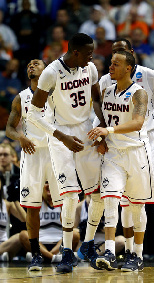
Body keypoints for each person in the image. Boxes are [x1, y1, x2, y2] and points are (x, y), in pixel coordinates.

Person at [91, 38, 154, 270]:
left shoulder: (148, 78)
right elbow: (98, 108)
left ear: (130, 58)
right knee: (117, 199)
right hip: (116, 145)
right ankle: (123, 252)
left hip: (147, 141)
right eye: (112, 55)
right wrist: (101, 137)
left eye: (119, 55)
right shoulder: (107, 82)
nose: (112, 61)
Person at [26, 33, 106, 273]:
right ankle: (67, 251)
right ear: (75, 53)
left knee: (100, 192)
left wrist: (102, 130)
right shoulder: (51, 72)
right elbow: (32, 114)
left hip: (85, 130)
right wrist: (61, 137)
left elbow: (97, 101)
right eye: (88, 52)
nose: (93, 56)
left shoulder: (90, 68)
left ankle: (89, 243)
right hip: (59, 135)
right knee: (70, 195)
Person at [88, 50, 154, 271]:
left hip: (136, 153)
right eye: (110, 63)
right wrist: (99, 136)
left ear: (129, 68)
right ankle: (109, 251)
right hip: (113, 154)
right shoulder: (107, 91)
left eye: (116, 64)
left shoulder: (139, 94)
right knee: (110, 199)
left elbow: (137, 123)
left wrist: (107, 130)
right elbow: (99, 118)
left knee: (136, 206)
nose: (110, 67)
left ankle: (137, 254)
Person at [6, 59, 63, 271]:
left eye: (36, 63)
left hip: (55, 150)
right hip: (32, 153)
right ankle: (36, 254)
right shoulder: (21, 97)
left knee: (64, 202)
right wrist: (20, 137)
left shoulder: (56, 92)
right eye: (28, 64)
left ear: (46, 69)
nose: (31, 66)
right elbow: (10, 127)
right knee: (32, 206)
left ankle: (66, 251)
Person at [19, 181, 80, 263]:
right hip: (40, 244)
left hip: (60, 244)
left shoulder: (63, 202)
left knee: (75, 233)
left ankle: (43, 257)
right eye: (46, 182)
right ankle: (54, 258)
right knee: (23, 234)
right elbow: (28, 223)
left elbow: (70, 225)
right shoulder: (36, 202)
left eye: (51, 182)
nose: (49, 185)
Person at [0, 175, 26, 261]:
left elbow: (24, 219)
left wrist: (15, 199)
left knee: (20, 236)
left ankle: (3, 255)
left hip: (5, 245)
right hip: (4, 251)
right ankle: (3, 256)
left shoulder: (6, 204)